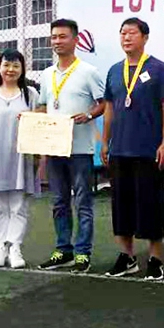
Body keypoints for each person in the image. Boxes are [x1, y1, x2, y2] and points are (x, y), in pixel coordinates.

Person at [101, 17, 164, 281]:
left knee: (151, 204)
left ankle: (155, 259)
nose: (126, 37)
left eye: (132, 33)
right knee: (121, 205)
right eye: (123, 33)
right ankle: (127, 257)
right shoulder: (114, 71)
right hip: (119, 148)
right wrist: (105, 141)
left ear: (145, 37)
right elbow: (109, 107)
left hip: (148, 149)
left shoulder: (159, 69)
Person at [36, 19, 105, 274]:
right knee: (59, 202)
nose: (57, 41)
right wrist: (33, 121)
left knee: (83, 201)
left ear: (75, 40)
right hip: (55, 148)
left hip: (80, 149)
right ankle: (63, 250)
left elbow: (103, 103)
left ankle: (83, 253)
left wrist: (88, 115)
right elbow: (43, 106)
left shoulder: (88, 71)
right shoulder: (47, 74)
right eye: (54, 37)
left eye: (63, 36)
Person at [0, 49, 40, 269]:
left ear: (22, 69)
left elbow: (41, 122)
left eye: (15, 65)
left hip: (22, 157)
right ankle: (1, 246)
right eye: (6, 65)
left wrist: (38, 157)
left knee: (19, 205)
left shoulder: (30, 94)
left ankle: (15, 248)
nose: (10, 69)